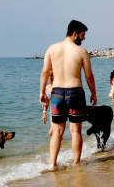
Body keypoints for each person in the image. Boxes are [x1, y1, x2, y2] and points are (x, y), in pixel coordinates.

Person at [39, 20, 97, 170]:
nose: (84, 39)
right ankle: (76, 163)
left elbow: (45, 72)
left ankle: (52, 165)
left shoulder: (52, 49)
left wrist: (41, 92)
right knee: (75, 130)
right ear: (74, 33)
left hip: (57, 93)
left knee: (57, 131)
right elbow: (89, 76)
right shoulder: (81, 52)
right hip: (76, 93)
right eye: (83, 35)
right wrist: (93, 93)